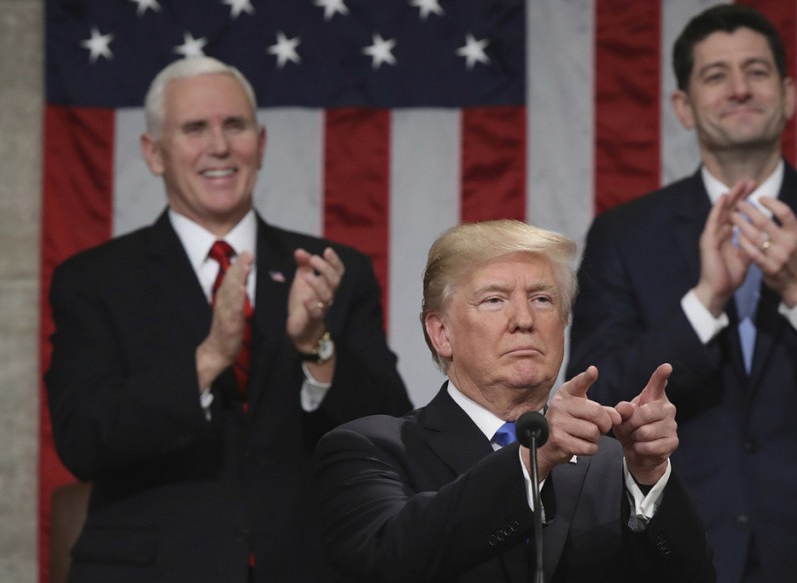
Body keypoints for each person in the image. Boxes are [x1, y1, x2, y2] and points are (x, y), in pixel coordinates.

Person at [568, 4, 797, 582]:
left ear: (788, 94)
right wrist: (705, 302)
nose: (739, 88)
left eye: (757, 72)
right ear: (683, 107)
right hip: (675, 550)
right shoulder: (625, 235)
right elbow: (598, 396)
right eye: (716, 75)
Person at [44, 56, 412, 582]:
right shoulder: (95, 281)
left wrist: (317, 349)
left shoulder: (332, 271)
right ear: (154, 153)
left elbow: (388, 434)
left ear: (259, 144)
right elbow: (83, 441)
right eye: (195, 128)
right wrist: (208, 358)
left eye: (233, 126)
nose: (219, 146)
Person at [314, 220, 716, 583]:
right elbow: (391, 561)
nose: (524, 319)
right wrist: (532, 460)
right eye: (494, 299)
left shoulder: (614, 466)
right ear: (441, 333)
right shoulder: (372, 449)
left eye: (542, 299)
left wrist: (648, 477)